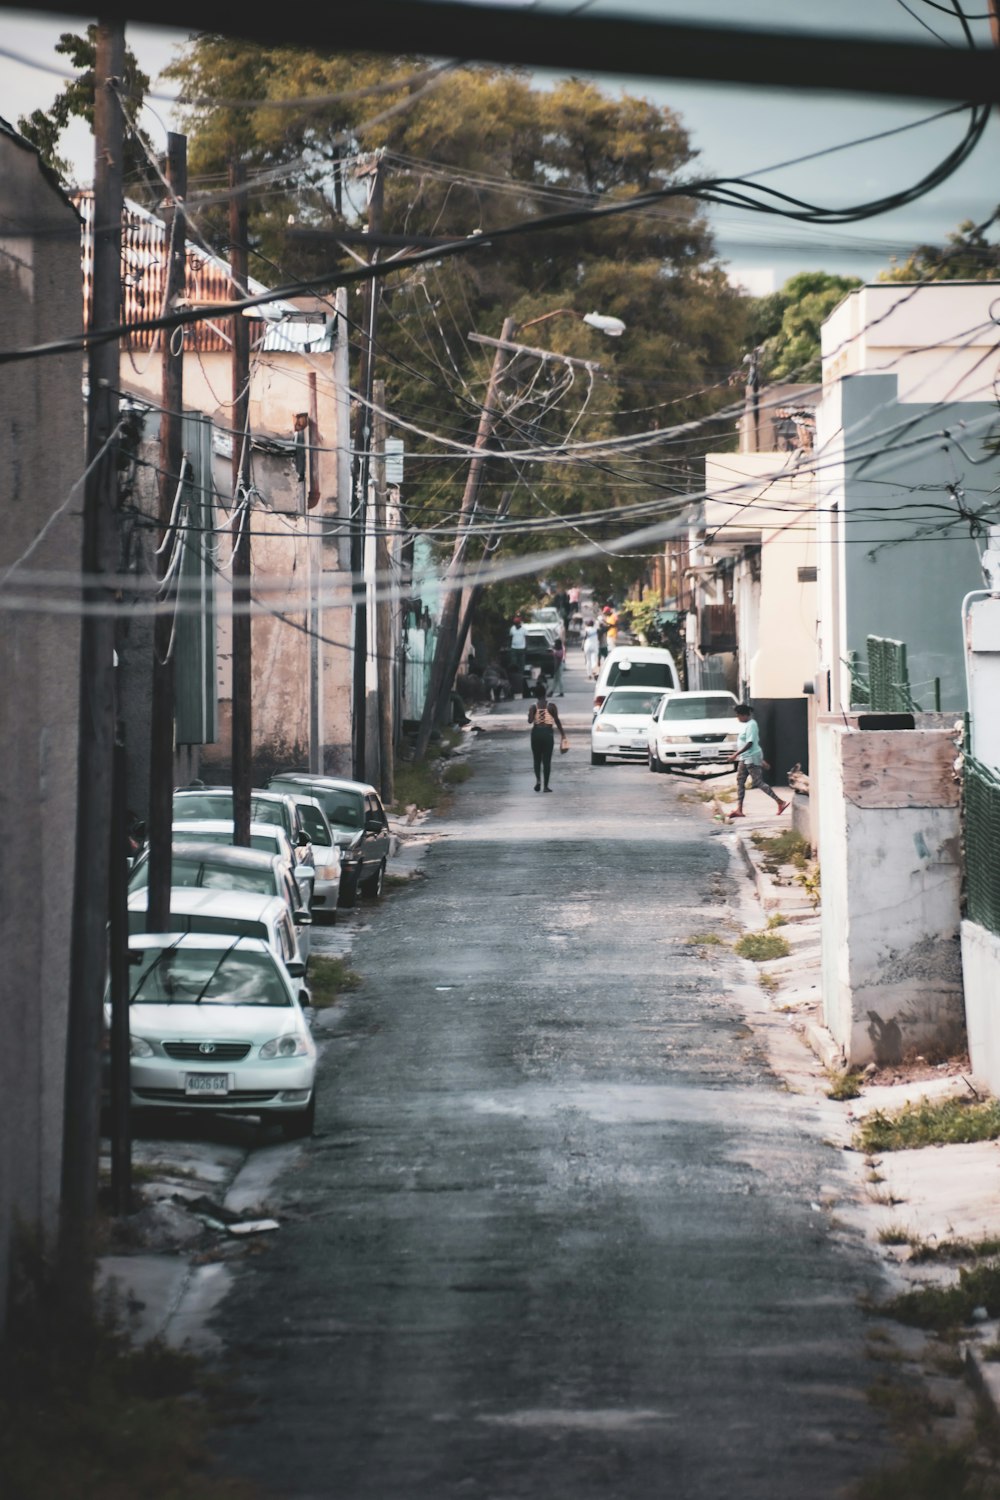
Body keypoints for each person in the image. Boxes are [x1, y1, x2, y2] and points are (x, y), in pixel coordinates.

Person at [727, 704, 789, 818]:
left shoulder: (752, 725)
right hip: (745, 758)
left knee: (758, 782)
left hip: (750, 757)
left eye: (739, 715)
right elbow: (754, 744)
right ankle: (739, 809)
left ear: (745, 715)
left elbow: (750, 743)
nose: (738, 718)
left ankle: (780, 802)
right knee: (740, 781)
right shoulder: (747, 725)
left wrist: (735, 755)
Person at [528, 680, 565, 792]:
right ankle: (546, 786)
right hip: (548, 734)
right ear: (545, 693)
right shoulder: (552, 706)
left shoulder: (533, 707)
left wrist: (531, 714)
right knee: (547, 760)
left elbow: (530, 721)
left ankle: (538, 780)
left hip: (536, 733)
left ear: (535, 695)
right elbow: (557, 721)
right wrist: (563, 735)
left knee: (536, 759)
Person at [509, 614, 527, 679]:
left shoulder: (524, 629)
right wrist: (509, 646)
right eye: (515, 623)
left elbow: (526, 638)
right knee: (513, 662)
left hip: (521, 648)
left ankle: (521, 675)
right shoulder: (512, 628)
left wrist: (526, 647)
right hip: (514, 648)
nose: (516, 625)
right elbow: (510, 637)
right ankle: (514, 675)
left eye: (517, 623)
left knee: (521, 662)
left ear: (519, 623)